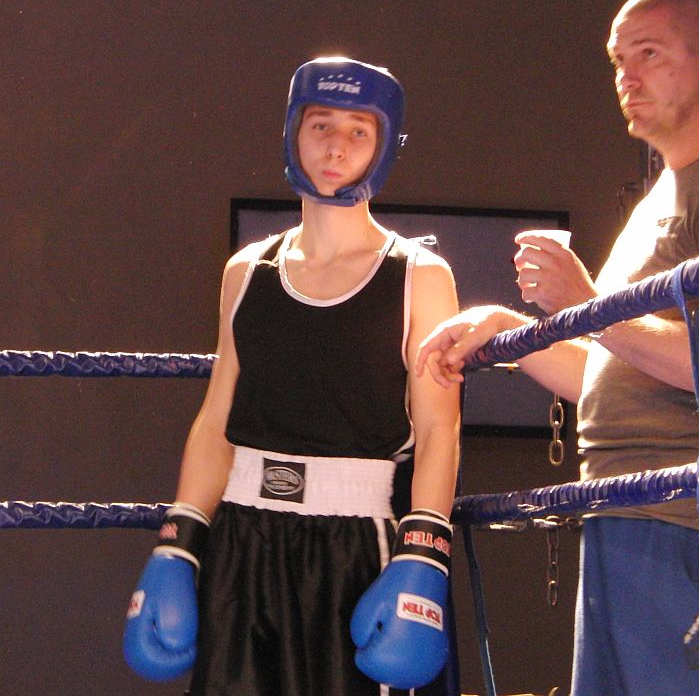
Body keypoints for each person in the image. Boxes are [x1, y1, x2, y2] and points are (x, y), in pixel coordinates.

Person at [416, 0, 699, 695]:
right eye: (618, 60)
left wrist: (588, 304)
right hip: (626, 508)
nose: (626, 76)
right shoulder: (665, 193)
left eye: (649, 54)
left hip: (696, 518)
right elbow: (614, 375)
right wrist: (511, 332)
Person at [123, 57, 461, 695]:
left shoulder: (419, 276)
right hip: (241, 538)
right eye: (320, 125)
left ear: (385, 144)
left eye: (359, 130)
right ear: (292, 133)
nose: (336, 147)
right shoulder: (246, 271)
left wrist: (425, 552)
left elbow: (440, 429)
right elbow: (217, 418)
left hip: (356, 544)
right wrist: (178, 541)